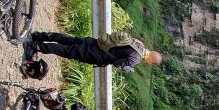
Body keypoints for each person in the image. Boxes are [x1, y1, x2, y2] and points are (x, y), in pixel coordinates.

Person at [24, 30, 162, 72]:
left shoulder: (140, 44)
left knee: (68, 40)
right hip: (95, 54)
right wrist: (127, 68)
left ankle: (38, 35)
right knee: (65, 50)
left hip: (96, 42)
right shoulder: (136, 58)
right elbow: (117, 63)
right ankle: (34, 46)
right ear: (151, 62)